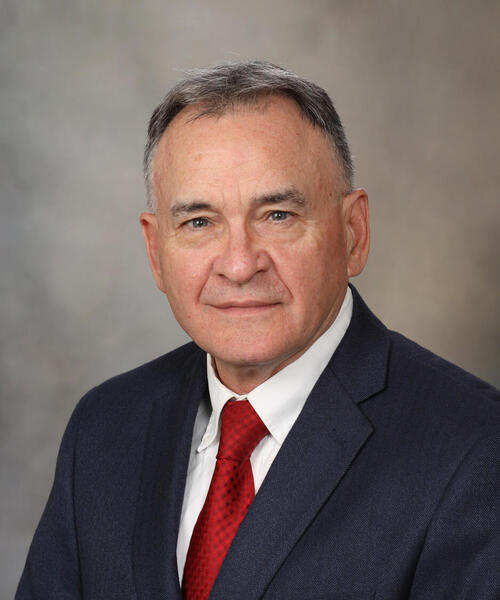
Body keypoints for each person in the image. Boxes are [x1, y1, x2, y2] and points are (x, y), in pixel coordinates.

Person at [16, 61, 499, 600]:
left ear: (353, 233)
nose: (240, 265)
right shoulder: (105, 429)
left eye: (277, 215)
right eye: (199, 222)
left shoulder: (477, 449)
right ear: (155, 251)